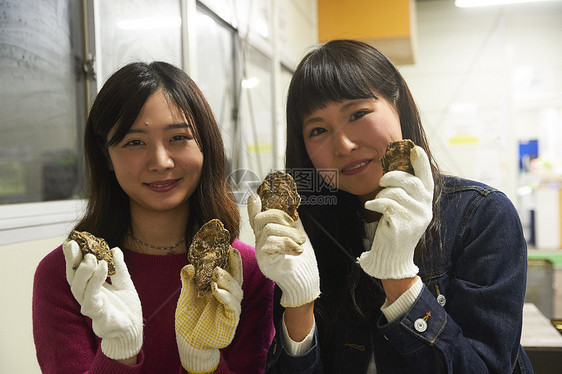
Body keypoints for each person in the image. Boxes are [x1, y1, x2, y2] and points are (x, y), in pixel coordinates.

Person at [247, 40, 534, 373]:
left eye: (357, 114)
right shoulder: (306, 232)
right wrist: (299, 300)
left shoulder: (481, 217)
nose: (343, 145)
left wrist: (400, 279)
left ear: (399, 105)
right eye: (318, 130)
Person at [32, 61, 275, 373]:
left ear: (206, 145)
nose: (160, 162)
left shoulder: (245, 272)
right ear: (106, 155)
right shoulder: (67, 276)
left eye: (178, 138)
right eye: (134, 142)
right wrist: (120, 352)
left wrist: (202, 362)